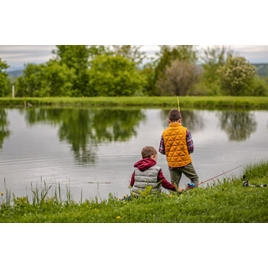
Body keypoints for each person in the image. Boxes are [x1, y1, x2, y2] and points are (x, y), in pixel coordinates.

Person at [159, 109, 199, 189]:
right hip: (185, 162)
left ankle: (175, 198)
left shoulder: (164, 133)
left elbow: (162, 150)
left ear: (168, 120)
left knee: (174, 185)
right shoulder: (185, 131)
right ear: (180, 120)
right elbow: (191, 148)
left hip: (172, 164)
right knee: (194, 178)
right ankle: (192, 192)